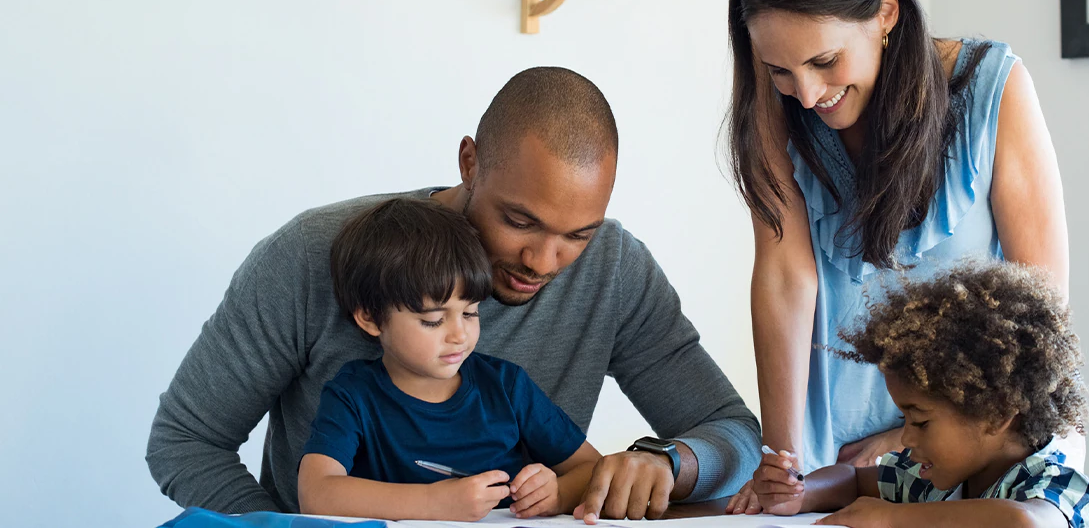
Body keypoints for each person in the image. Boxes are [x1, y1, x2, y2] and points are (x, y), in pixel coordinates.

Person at [147, 67, 760, 521]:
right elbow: (185, 441)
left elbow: (732, 432)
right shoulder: (313, 255)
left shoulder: (615, 269)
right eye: (519, 222)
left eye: (578, 234)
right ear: (470, 162)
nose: (544, 262)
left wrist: (668, 462)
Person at [722, 0, 1073, 513]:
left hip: (978, 447)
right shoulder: (776, 109)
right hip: (831, 459)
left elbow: (1039, 307)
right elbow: (786, 278)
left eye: (825, 61)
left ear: (886, 12)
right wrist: (782, 459)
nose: (807, 94)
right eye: (780, 70)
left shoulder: (994, 88)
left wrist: (908, 437)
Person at [297, 198, 601, 522]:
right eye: (433, 319)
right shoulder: (352, 396)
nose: (459, 335)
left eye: (470, 312)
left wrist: (558, 493)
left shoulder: (506, 387)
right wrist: (433, 502)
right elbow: (316, 493)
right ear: (371, 318)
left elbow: (592, 468)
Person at [753, 260, 1089, 528]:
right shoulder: (931, 478)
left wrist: (891, 518)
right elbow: (853, 480)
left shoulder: (1054, 481)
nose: (904, 437)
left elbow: (1024, 523)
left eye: (920, 421)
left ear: (997, 413)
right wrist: (800, 494)